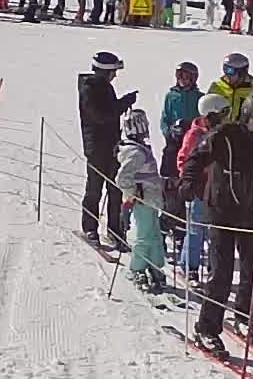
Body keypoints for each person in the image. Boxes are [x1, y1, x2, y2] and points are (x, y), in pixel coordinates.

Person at [187, 91, 253, 355]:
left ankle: (245, 316)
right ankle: (207, 328)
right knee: (221, 274)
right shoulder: (224, 135)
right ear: (246, 114)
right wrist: (188, 181)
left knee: (251, 272)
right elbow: (195, 157)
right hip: (222, 212)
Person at [78, 52, 137, 249]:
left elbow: (109, 112)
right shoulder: (89, 89)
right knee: (94, 189)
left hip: (112, 146)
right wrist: (123, 103)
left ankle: (115, 231)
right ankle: (90, 228)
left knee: (115, 189)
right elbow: (101, 116)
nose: (115, 75)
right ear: (104, 71)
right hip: (96, 147)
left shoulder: (105, 87)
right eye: (113, 71)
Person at [177, 93, 231, 283]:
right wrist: (188, 181)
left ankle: (213, 268)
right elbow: (184, 159)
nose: (226, 118)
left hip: (216, 189)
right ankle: (188, 266)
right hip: (200, 190)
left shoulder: (221, 133)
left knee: (213, 231)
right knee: (196, 229)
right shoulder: (195, 134)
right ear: (211, 115)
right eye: (223, 114)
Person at [115, 109, 168, 293]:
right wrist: (133, 193)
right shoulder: (135, 152)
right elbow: (122, 178)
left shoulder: (140, 149)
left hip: (152, 200)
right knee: (145, 237)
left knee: (154, 235)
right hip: (144, 201)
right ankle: (137, 268)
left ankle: (154, 265)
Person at [160, 62, 203, 163]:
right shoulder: (171, 96)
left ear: (193, 78)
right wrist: (168, 132)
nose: (182, 79)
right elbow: (165, 118)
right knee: (171, 157)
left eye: (186, 76)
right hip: (175, 136)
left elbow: (203, 118)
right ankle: (171, 177)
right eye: (179, 76)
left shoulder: (199, 97)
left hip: (193, 137)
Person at [208, 53, 253, 122]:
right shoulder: (216, 86)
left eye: (230, 71)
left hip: (243, 130)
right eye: (225, 69)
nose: (227, 75)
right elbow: (206, 110)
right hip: (218, 129)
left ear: (241, 73)